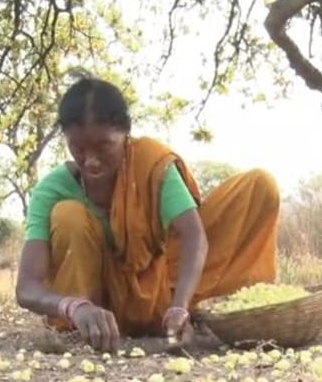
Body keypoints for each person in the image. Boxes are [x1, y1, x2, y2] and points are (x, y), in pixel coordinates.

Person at [14, 76, 281, 352]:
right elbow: (26, 288)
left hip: (162, 290)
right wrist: (75, 307)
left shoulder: (151, 164)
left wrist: (179, 306)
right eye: (78, 149)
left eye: (104, 146)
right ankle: (89, 330)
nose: (91, 161)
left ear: (125, 135)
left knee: (259, 187)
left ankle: (184, 318)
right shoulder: (52, 190)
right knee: (68, 215)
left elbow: (193, 236)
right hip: (96, 310)